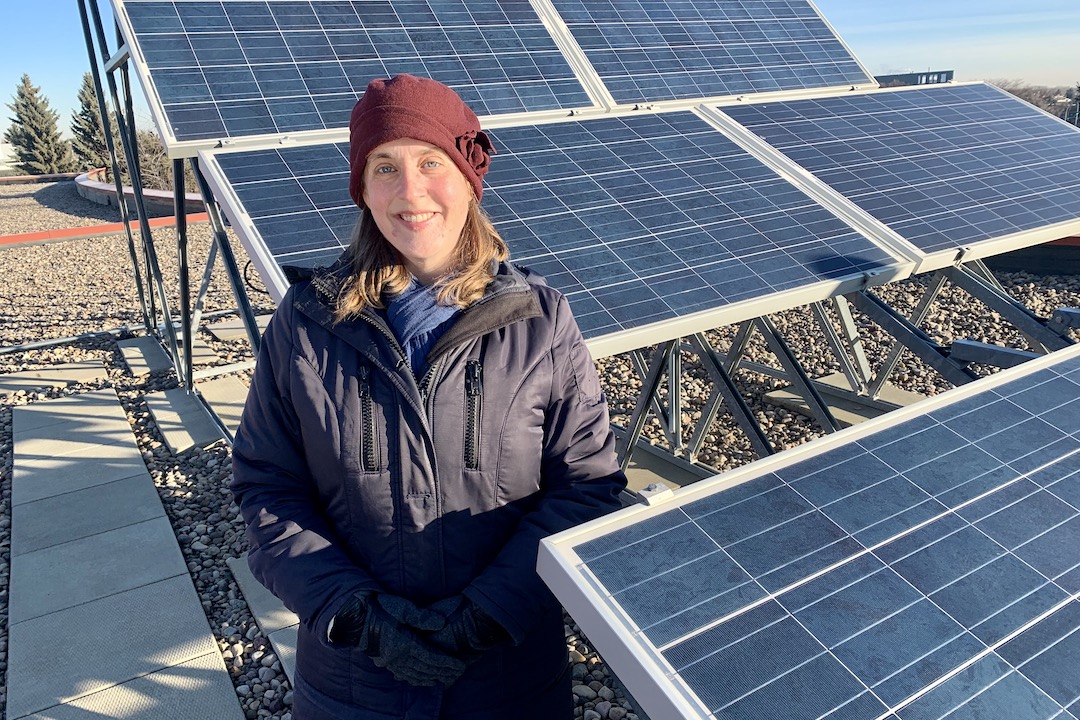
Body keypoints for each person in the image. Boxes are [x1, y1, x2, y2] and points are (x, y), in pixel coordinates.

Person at [230, 73, 627, 719]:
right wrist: (353, 615)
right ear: (362, 188)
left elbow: (586, 486)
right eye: (385, 166)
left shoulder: (539, 321)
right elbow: (267, 487)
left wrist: (490, 614)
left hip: (507, 680)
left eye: (430, 161)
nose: (410, 191)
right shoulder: (306, 323)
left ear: (469, 178)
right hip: (353, 687)